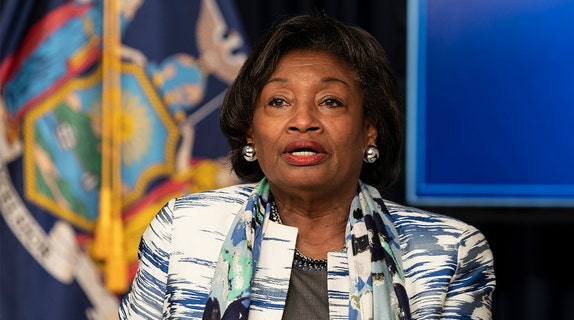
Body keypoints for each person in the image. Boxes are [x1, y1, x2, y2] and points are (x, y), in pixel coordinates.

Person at [118, 13, 496, 320]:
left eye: (330, 101)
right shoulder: (183, 230)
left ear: (370, 130)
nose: (303, 121)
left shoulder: (449, 251)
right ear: (251, 131)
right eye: (279, 102)